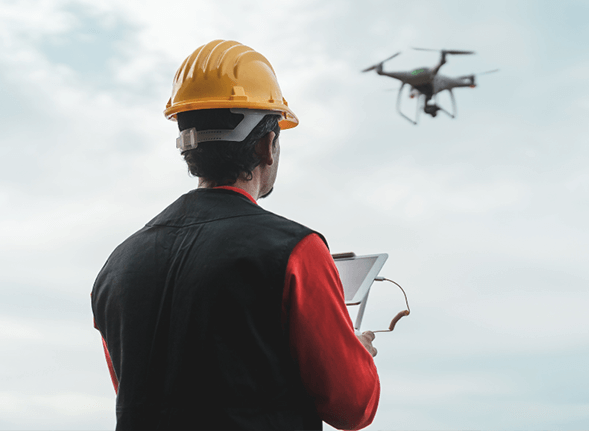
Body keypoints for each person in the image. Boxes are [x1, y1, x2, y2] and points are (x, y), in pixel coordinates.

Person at [91, 39, 380, 430]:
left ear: (187, 146)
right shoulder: (296, 251)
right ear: (267, 145)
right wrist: (356, 355)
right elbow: (352, 406)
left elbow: (140, 393)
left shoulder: (117, 266)